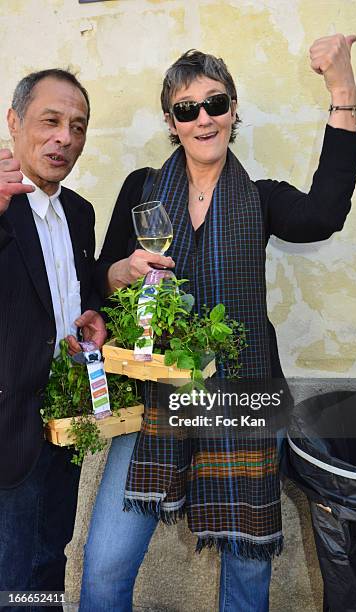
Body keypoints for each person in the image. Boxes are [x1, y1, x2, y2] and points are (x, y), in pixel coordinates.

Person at [80, 35, 356, 612]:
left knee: (245, 570)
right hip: (154, 394)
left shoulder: (260, 199)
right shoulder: (142, 189)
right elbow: (97, 281)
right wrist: (121, 273)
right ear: (172, 120)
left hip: (243, 397)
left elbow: (324, 214)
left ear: (234, 111)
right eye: (187, 109)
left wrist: (342, 89)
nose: (203, 118)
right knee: (105, 564)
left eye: (216, 103)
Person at [0, 69, 106, 609]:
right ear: (14, 122)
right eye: (50, 121)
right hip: (7, 433)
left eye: (78, 126)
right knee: (9, 577)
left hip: (62, 428)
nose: (65, 137)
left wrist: (93, 317)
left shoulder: (81, 214)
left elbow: (72, 302)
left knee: (48, 566)